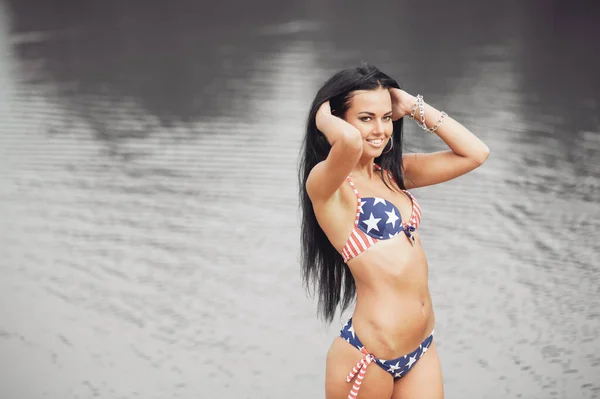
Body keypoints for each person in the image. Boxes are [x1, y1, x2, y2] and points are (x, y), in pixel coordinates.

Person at [298, 63, 490, 399]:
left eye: (386, 117)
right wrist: (322, 117)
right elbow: (346, 144)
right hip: (368, 356)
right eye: (366, 118)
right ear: (339, 122)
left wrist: (412, 106)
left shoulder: (392, 173)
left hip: (421, 350)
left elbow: (476, 153)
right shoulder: (328, 187)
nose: (380, 129)